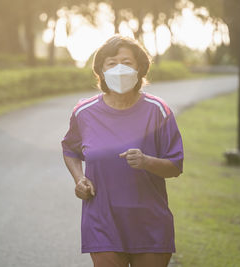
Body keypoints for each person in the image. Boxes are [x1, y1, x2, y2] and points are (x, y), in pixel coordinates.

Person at [61, 35, 184, 267]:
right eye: (111, 63)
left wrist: (147, 161)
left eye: (127, 63)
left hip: (149, 224)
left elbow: (175, 166)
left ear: (140, 68)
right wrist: (79, 180)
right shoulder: (84, 112)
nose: (119, 69)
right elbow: (70, 149)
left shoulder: (158, 111)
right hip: (102, 222)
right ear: (101, 70)